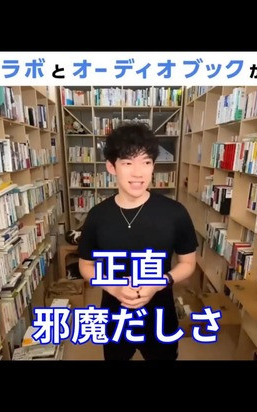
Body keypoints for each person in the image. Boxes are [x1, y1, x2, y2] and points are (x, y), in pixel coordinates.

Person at [78, 123, 198, 360]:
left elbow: (188, 263)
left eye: (146, 162)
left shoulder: (175, 212)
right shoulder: (97, 215)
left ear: (153, 166)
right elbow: (86, 265)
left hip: (160, 316)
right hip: (114, 317)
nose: (138, 173)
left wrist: (159, 283)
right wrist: (113, 287)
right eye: (127, 163)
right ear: (111, 167)